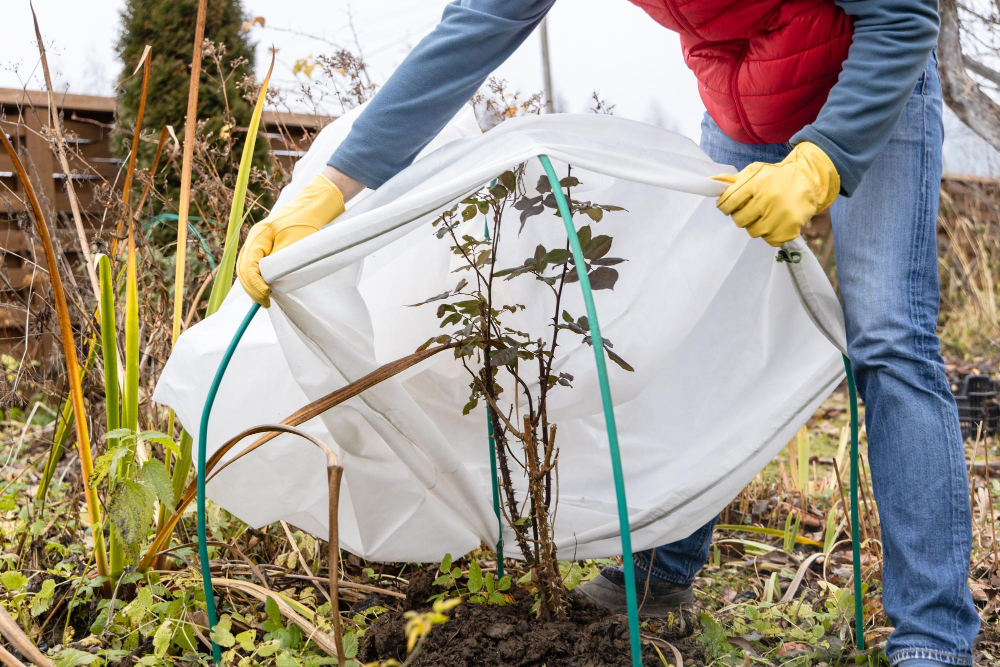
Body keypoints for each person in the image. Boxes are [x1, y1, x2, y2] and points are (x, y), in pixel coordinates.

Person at [236, 1, 979, 665]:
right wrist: (328, 190)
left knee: (887, 337)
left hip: (866, 77)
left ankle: (933, 633)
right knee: (695, 325)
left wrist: (823, 162)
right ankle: (660, 572)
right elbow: (473, 30)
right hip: (742, 103)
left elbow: (902, 15)